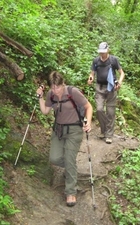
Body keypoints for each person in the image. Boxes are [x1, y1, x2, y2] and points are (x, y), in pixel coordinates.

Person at [36, 71, 93, 207]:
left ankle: (71, 192)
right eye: (53, 87)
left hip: (74, 130)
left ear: (63, 83)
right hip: (58, 130)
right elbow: (45, 111)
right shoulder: (51, 95)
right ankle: (70, 167)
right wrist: (40, 97)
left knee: (69, 158)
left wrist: (88, 122)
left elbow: (88, 106)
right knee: (54, 158)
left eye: (58, 87)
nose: (56, 90)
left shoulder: (72, 92)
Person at [87, 42, 125, 144]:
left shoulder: (113, 60)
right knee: (99, 110)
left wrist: (119, 83)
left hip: (111, 88)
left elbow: (122, 73)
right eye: (100, 52)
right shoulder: (96, 61)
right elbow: (92, 73)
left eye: (103, 52)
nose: (102, 54)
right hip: (99, 88)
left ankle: (109, 135)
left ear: (108, 50)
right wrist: (90, 79)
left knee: (110, 112)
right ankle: (104, 130)